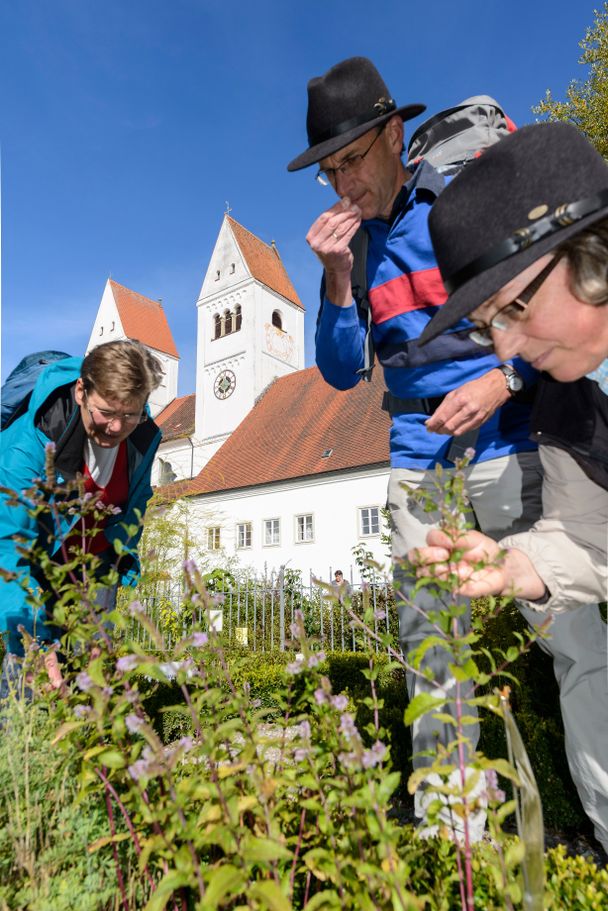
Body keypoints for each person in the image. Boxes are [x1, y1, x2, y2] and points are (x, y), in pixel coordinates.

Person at [287, 56, 544, 839]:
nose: (342, 185)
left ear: (395, 135)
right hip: (416, 454)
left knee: (564, 623)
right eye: (328, 171)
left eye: (353, 161)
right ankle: (451, 834)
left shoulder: (464, 199)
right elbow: (337, 372)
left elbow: (554, 309)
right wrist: (334, 280)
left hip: (509, 432)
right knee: (431, 641)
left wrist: (505, 378)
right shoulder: (353, 248)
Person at [412, 121, 608, 853]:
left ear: (593, 250)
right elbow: (592, 537)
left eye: (515, 309)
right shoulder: (564, 402)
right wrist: (523, 565)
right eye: (491, 325)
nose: (507, 351)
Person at [0, 339, 163, 694]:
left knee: (87, 682)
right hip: (35, 564)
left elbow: (135, 502)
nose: (117, 428)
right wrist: (39, 643)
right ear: (80, 392)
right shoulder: (28, 444)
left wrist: (123, 561)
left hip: (95, 563)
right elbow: (9, 550)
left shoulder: (143, 437)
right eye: (105, 412)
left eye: (129, 414)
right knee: (29, 673)